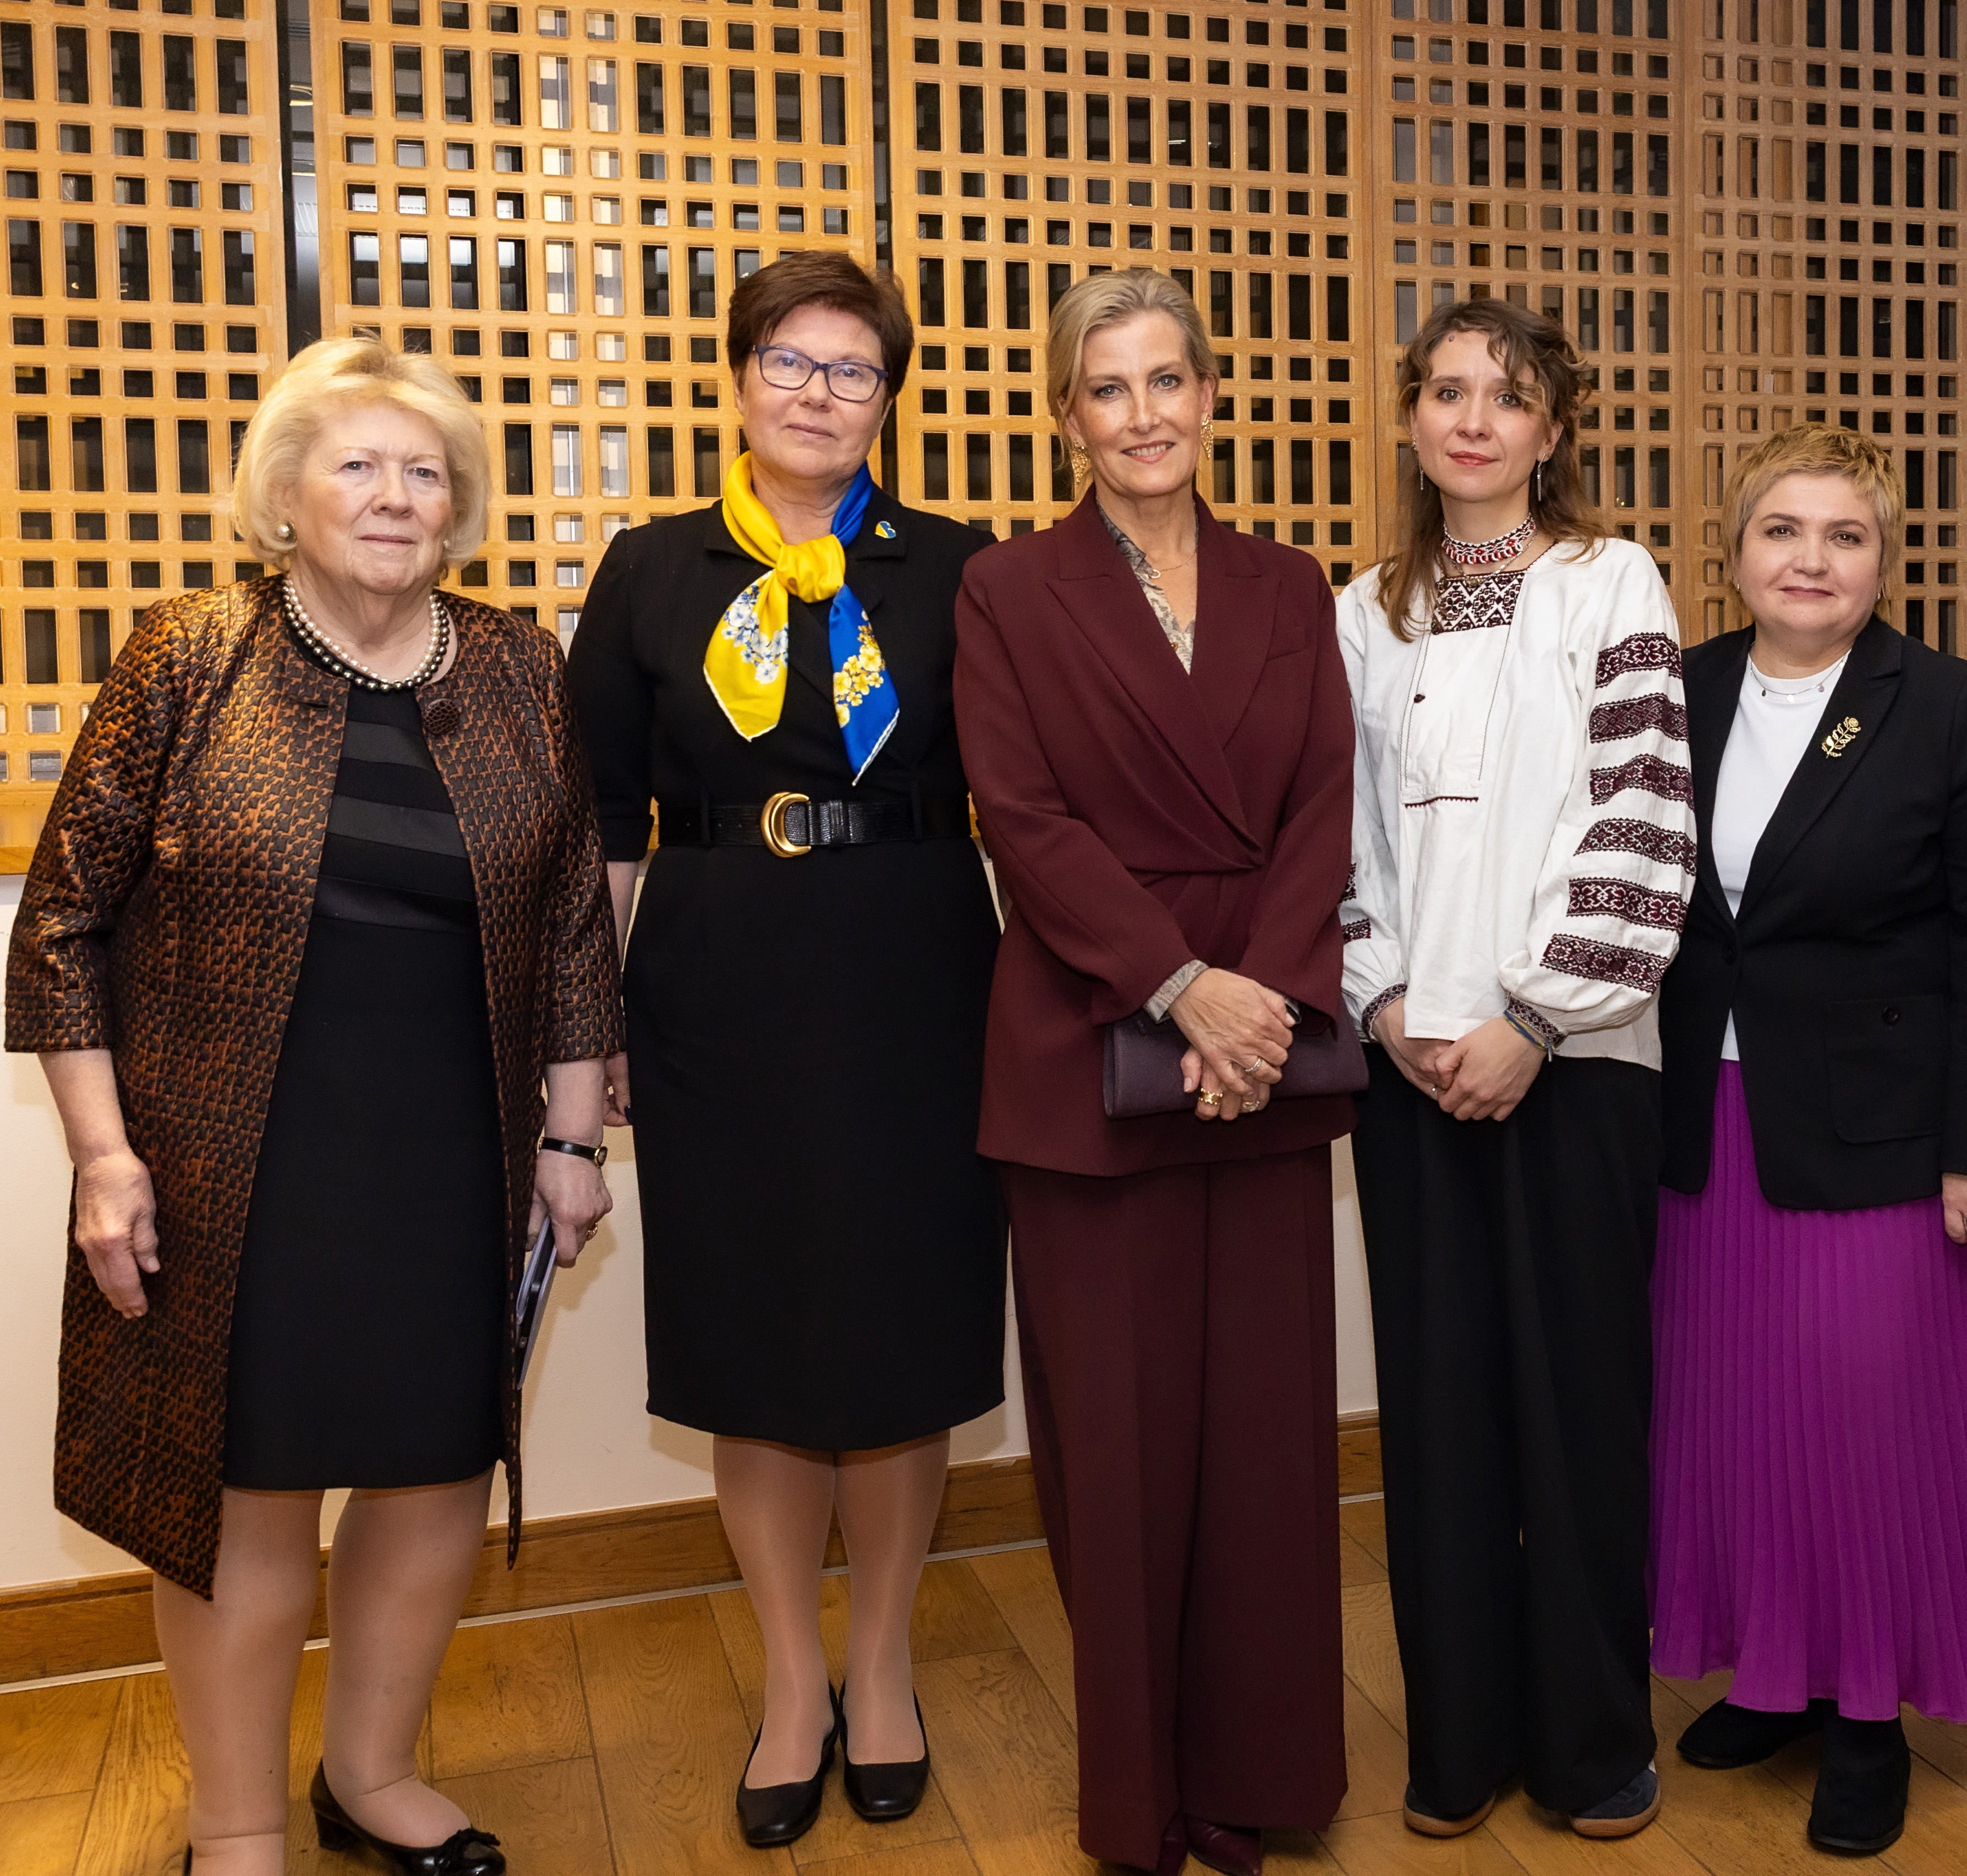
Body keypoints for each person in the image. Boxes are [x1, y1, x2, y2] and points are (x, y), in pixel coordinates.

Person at [6, 338, 620, 1876]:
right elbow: (63, 923)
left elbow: (566, 926)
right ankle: (235, 1822)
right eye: (357, 464)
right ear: (284, 494)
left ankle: (371, 1775)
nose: (395, 497)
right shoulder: (186, 654)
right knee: (248, 1488)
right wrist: (101, 1159)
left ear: (460, 507)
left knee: (430, 1465)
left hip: (452, 1149)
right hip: (234, 1155)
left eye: (425, 472)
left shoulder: (516, 668)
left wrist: (568, 1138)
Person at [567, 251, 1006, 1848]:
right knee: (752, 1342)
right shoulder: (651, 569)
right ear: (739, 378)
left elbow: (1021, 799)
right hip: (717, 972)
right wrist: (591, 1018)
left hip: (915, 968)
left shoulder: (962, 570)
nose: (822, 394)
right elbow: (603, 821)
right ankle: (790, 1683)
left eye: (855, 371)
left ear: (891, 395)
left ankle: (880, 1669)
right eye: (792, 364)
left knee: (900, 1338)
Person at [952, 268, 1356, 1876]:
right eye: (1108, 389)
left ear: (1209, 393)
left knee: (1264, 1445)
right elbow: (1022, 819)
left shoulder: (1288, 583)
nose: (1145, 414)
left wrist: (1258, 1011)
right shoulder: (1011, 592)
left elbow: (1327, 802)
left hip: (1264, 1047)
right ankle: (1139, 1801)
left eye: (1167, 380)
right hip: (1091, 1041)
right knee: (1117, 1457)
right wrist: (1183, 989)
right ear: (1068, 417)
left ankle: (1264, 1772)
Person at [1648, 423, 1967, 1854]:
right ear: (1736, 549)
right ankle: (1774, 1676)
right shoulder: (1677, 690)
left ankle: (1872, 1710)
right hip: (1702, 1117)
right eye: (1783, 531)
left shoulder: (1949, 707)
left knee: (1869, 1433)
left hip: (1891, 1140)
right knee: (1734, 1421)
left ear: (1885, 561)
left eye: (1844, 537)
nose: (1810, 561)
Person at [1340, 295, 1695, 1843]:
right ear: (1413, 422)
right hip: (1412, 1066)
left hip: (1579, 1063)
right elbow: (1338, 842)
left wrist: (1533, 1019)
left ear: (1555, 430)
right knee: (1439, 1418)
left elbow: (1639, 817)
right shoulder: (1366, 611)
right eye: (1448, 392)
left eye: (1509, 395)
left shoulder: (1611, 583)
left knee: (1578, 1411)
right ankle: (1456, 1746)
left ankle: (1593, 1745)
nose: (1475, 418)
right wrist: (1388, 1007)